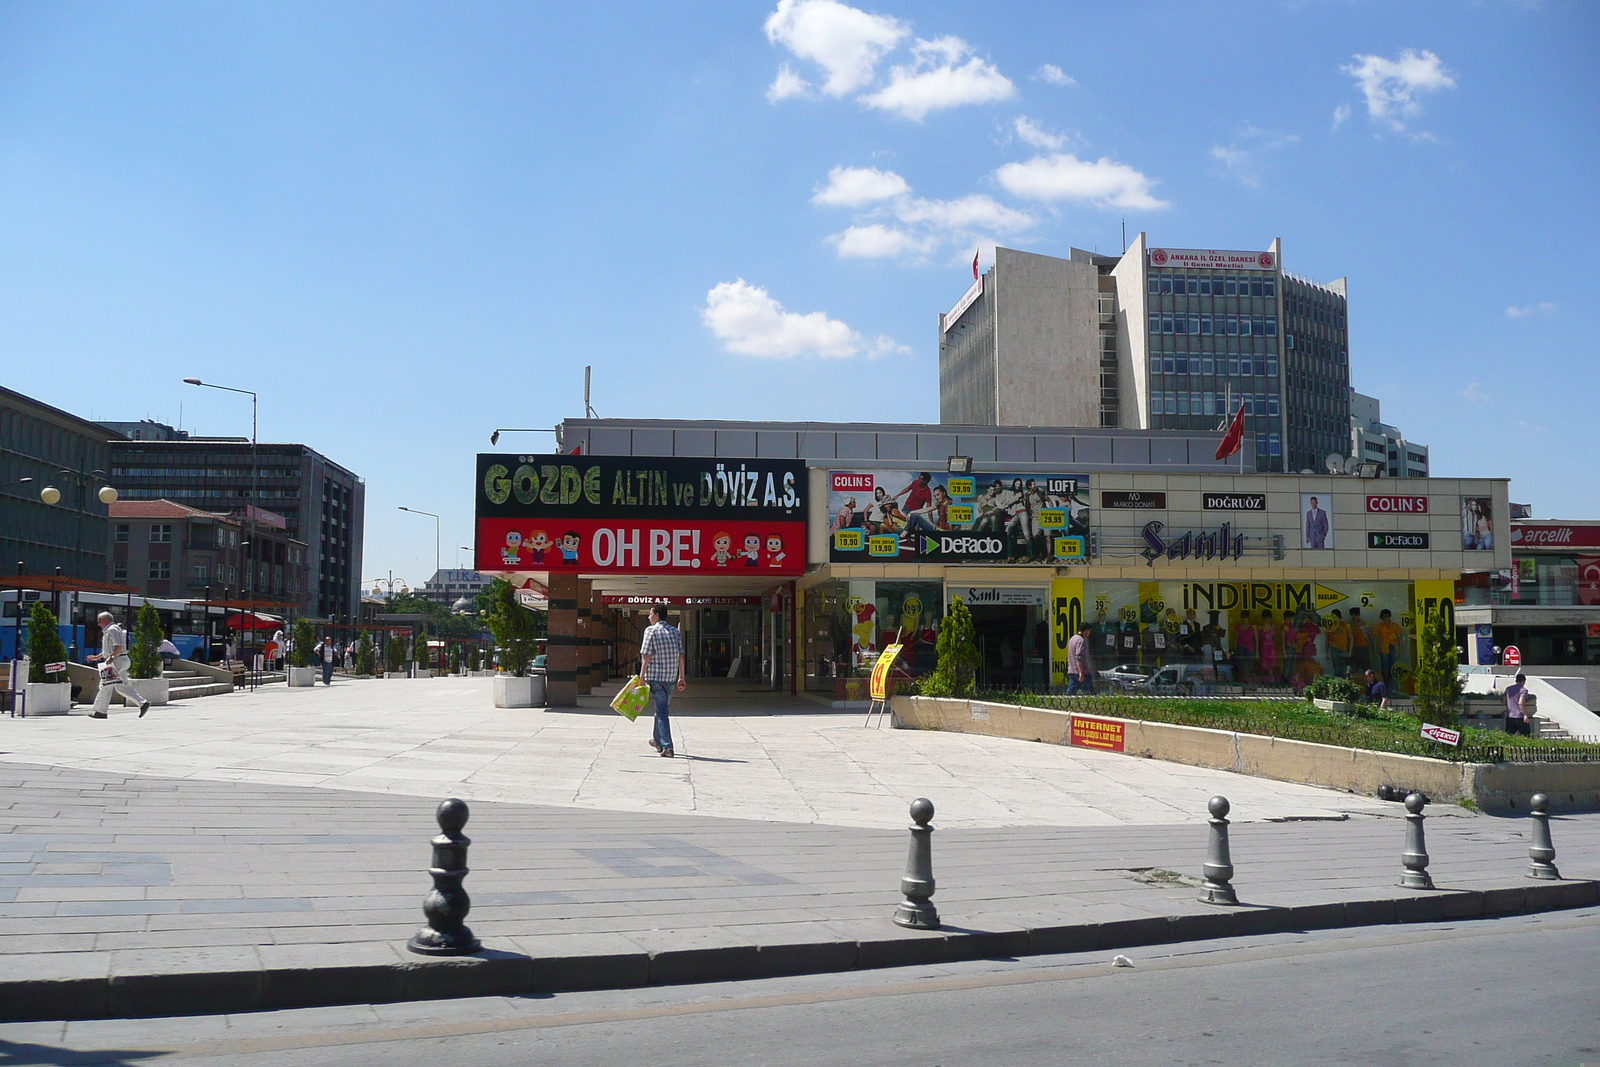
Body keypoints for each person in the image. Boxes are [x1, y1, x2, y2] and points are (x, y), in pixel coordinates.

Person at [638, 603, 686, 758]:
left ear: (657, 615)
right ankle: (657, 740)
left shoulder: (650, 631)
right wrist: (682, 677)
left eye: (650, 614)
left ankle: (667, 746)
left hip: (656, 677)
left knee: (662, 711)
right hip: (671, 677)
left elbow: (646, 655)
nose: (649, 616)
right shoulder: (674, 632)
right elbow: (680, 655)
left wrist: (641, 675)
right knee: (662, 709)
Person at [87, 611, 149, 719]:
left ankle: (100, 711)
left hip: (117, 661)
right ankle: (142, 703)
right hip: (120, 660)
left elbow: (118, 646)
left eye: (99, 621)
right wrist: (97, 657)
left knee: (105, 686)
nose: (98, 624)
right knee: (121, 687)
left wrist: (112, 657)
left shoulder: (112, 629)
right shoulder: (111, 630)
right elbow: (110, 648)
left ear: (106, 620)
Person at [1372, 609, 1402, 683]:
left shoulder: (1395, 626)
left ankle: (1392, 683)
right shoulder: (1378, 626)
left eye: (1387, 616)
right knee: (1384, 667)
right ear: (1381, 617)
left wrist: (1400, 650)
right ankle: (1386, 682)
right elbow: (1375, 639)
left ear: (1389, 616)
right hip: (1383, 648)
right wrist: (1375, 650)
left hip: (1393, 647)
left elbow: (1400, 639)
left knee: (1392, 666)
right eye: (1384, 616)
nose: (1385, 618)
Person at [1066, 623, 1095, 695]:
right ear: (1086, 630)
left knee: (1070, 693)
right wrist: (1081, 673)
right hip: (1082, 672)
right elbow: (1079, 657)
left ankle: (1066, 703)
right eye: (1089, 631)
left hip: (1072, 670)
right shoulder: (1081, 640)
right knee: (1090, 693)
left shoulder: (1072, 639)